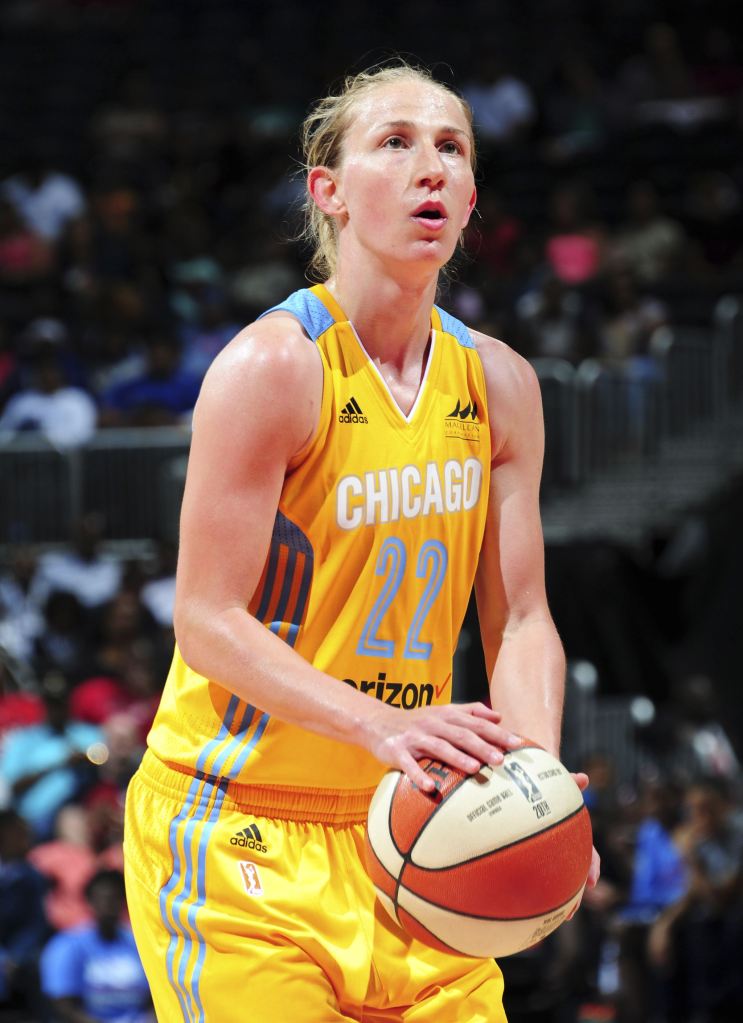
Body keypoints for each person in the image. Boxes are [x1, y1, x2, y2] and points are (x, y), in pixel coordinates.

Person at [123, 62, 599, 1022]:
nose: (430, 166)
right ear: (327, 192)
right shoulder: (272, 367)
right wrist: (380, 726)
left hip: (417, 831)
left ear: (471, 198)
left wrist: (532, 784)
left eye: (451, 148)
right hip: (241, 837)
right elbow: (205, 619)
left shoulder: (499, 383)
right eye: (395, 142)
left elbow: (520, 621)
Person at [40, 868, 154, 1023]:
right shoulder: (66, 945)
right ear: (89, 901)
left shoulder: (139, 941)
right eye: (102, 899)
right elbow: (63, 1004)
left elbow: (154, 997)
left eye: (114, 898)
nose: (108, 905)